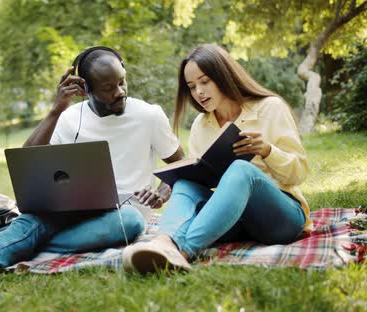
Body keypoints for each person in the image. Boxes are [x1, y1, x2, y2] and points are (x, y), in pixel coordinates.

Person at [0, 46, 184, 284]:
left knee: (131, 221)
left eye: (122, 82)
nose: (120, 92)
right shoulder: (69, 118)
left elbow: (180, 163)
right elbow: (28, 160)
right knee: (37, 216)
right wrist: (56, 110)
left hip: (125, 213)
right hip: (75, 207)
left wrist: (161, 192)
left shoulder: (149, 115)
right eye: (108, 88)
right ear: (85, 89)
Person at [122, 44, 311, 274]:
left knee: (241, 169)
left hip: (282, 219)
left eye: (204, 82)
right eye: (192, 87)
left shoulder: (270, 108)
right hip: (235, 221)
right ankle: (165, 242)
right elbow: (202, 181)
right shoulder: (201, 125)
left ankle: (182, 252)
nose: (198, 92)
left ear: (223, 75)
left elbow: (299, 173)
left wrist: (267, 150)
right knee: (185, 182)